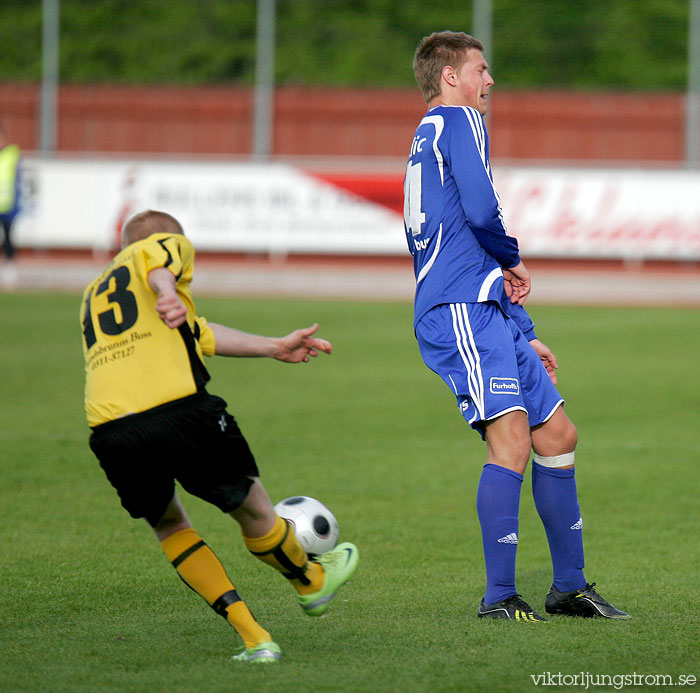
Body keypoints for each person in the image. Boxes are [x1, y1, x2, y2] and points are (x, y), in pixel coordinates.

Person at [404, 31, 628, 621]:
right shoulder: (459, 120)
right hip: (462, 310)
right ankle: (499, 598)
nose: (490, 80)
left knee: (558, 436)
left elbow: (460, 227)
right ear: (451, 77)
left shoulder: (430, 135)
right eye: (481, 69)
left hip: (483, 308)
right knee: (512, 443)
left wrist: (523, 328)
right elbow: (480, 212)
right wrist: (512, 256)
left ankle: (570, 587)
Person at [80, 209, 359, 663]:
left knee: (169, 525)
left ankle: (255, 639)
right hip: (178, 411)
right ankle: (310, 582)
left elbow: (199, 333)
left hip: (111, 430)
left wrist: (275, 347)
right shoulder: (159, 247)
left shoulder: (94, 293)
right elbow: (157, 263)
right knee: (254, 509)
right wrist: (169, 292)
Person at [0, 122, 21, 281]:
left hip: (7, 204)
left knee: (8, 237)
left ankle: (9, 267)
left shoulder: (12, 153)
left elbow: (18, 180)